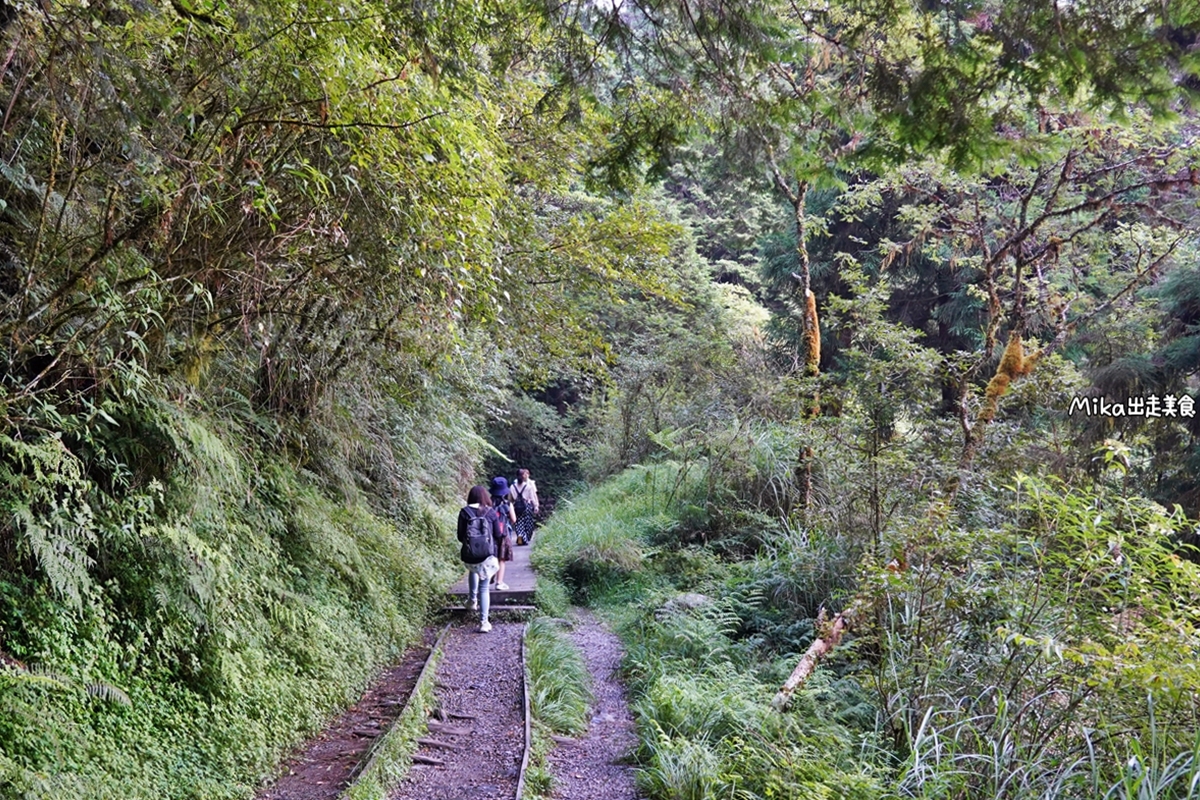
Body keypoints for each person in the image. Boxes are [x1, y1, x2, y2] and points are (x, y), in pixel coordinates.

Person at [457, 485, 499, 632]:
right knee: (484, 586)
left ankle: (472, 601)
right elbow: (498, 534)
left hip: (470, 556)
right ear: (485, 497)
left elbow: (460, 536)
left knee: (473, 570)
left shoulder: (464, 512)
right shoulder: (490, 512)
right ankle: (484, 622)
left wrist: (472, 546)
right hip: (487, 555)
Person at [489, 476, 516, 591]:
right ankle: (499, 582)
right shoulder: (508, 504)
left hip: (490, 534)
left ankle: (488, 578)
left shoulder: (488, 503)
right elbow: (514, 519)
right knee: (502, 559)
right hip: (503, 534)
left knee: (490, 557)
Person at [511, 468, 540, 545]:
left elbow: (510, 499)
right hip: (526, 506)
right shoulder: (528, 487)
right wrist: (536, 506)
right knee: (528, 523)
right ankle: (525, 538)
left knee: (518, 523)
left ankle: (520, 536)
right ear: (524, 477)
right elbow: (532, 497)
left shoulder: (512, 487)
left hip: (516, 507)